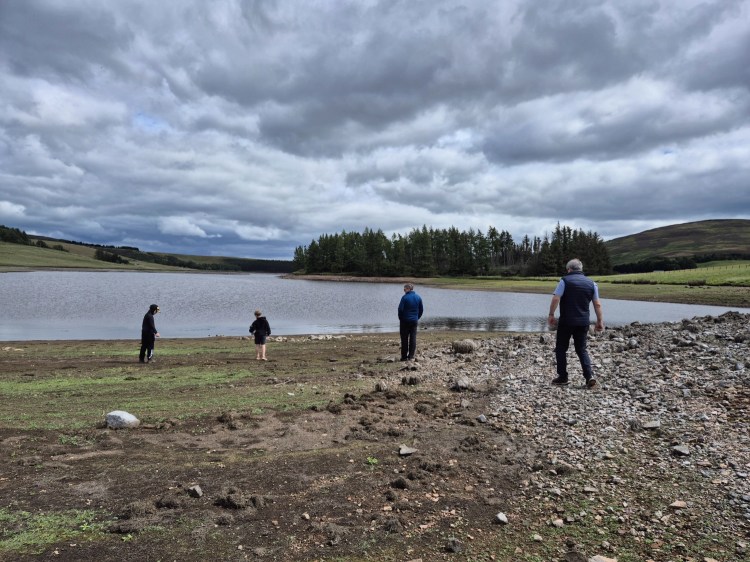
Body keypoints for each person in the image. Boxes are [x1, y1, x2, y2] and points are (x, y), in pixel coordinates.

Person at [547, 258, 604, 388]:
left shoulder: (564, 280)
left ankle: (563, 377)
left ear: (569, 269)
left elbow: (556, 298)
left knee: (561, 349)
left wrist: (551, 314)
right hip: (583, 321)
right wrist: (600, 321)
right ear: (581, 269)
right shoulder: (592, 284)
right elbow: (597, 304)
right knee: (581, 350)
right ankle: (589, 376)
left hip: (566, 321)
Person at [398, 283, 424, 361]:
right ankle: (411, 356)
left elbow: (400, 310)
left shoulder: (404, 297)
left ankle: (404, 357)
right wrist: (417, 317)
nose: (404, 290)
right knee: (413, 338)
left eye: (405, 288)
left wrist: (401, 319)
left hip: (405, 321)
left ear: (409, 289)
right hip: (414, 321)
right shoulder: (418, 297)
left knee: (404, 339)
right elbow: (421, 310)